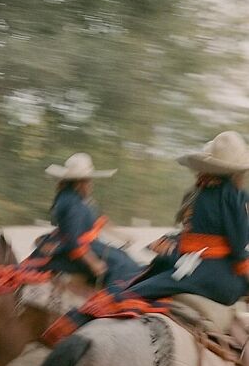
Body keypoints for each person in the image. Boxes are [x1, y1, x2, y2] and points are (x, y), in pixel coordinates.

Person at [43, 131, 249, 345]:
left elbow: (194, 233)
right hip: (217, 275)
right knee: (121, 262)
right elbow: (238, 245)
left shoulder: (198, 194)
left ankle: (84, 317)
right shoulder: (236, 197)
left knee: (137, 278)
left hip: (191, 264)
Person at [0, 152, 141, 296]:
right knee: (121, 264)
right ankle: (113, 304)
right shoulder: (73, 204)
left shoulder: (80, 199)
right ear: (79, 182)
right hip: (72, 251)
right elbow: (75, 241)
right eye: (88, 180)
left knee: (122, 258)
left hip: (86, 244)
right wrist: (93, 263)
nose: (91, 184)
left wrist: (122, 235)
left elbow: (98, 220)